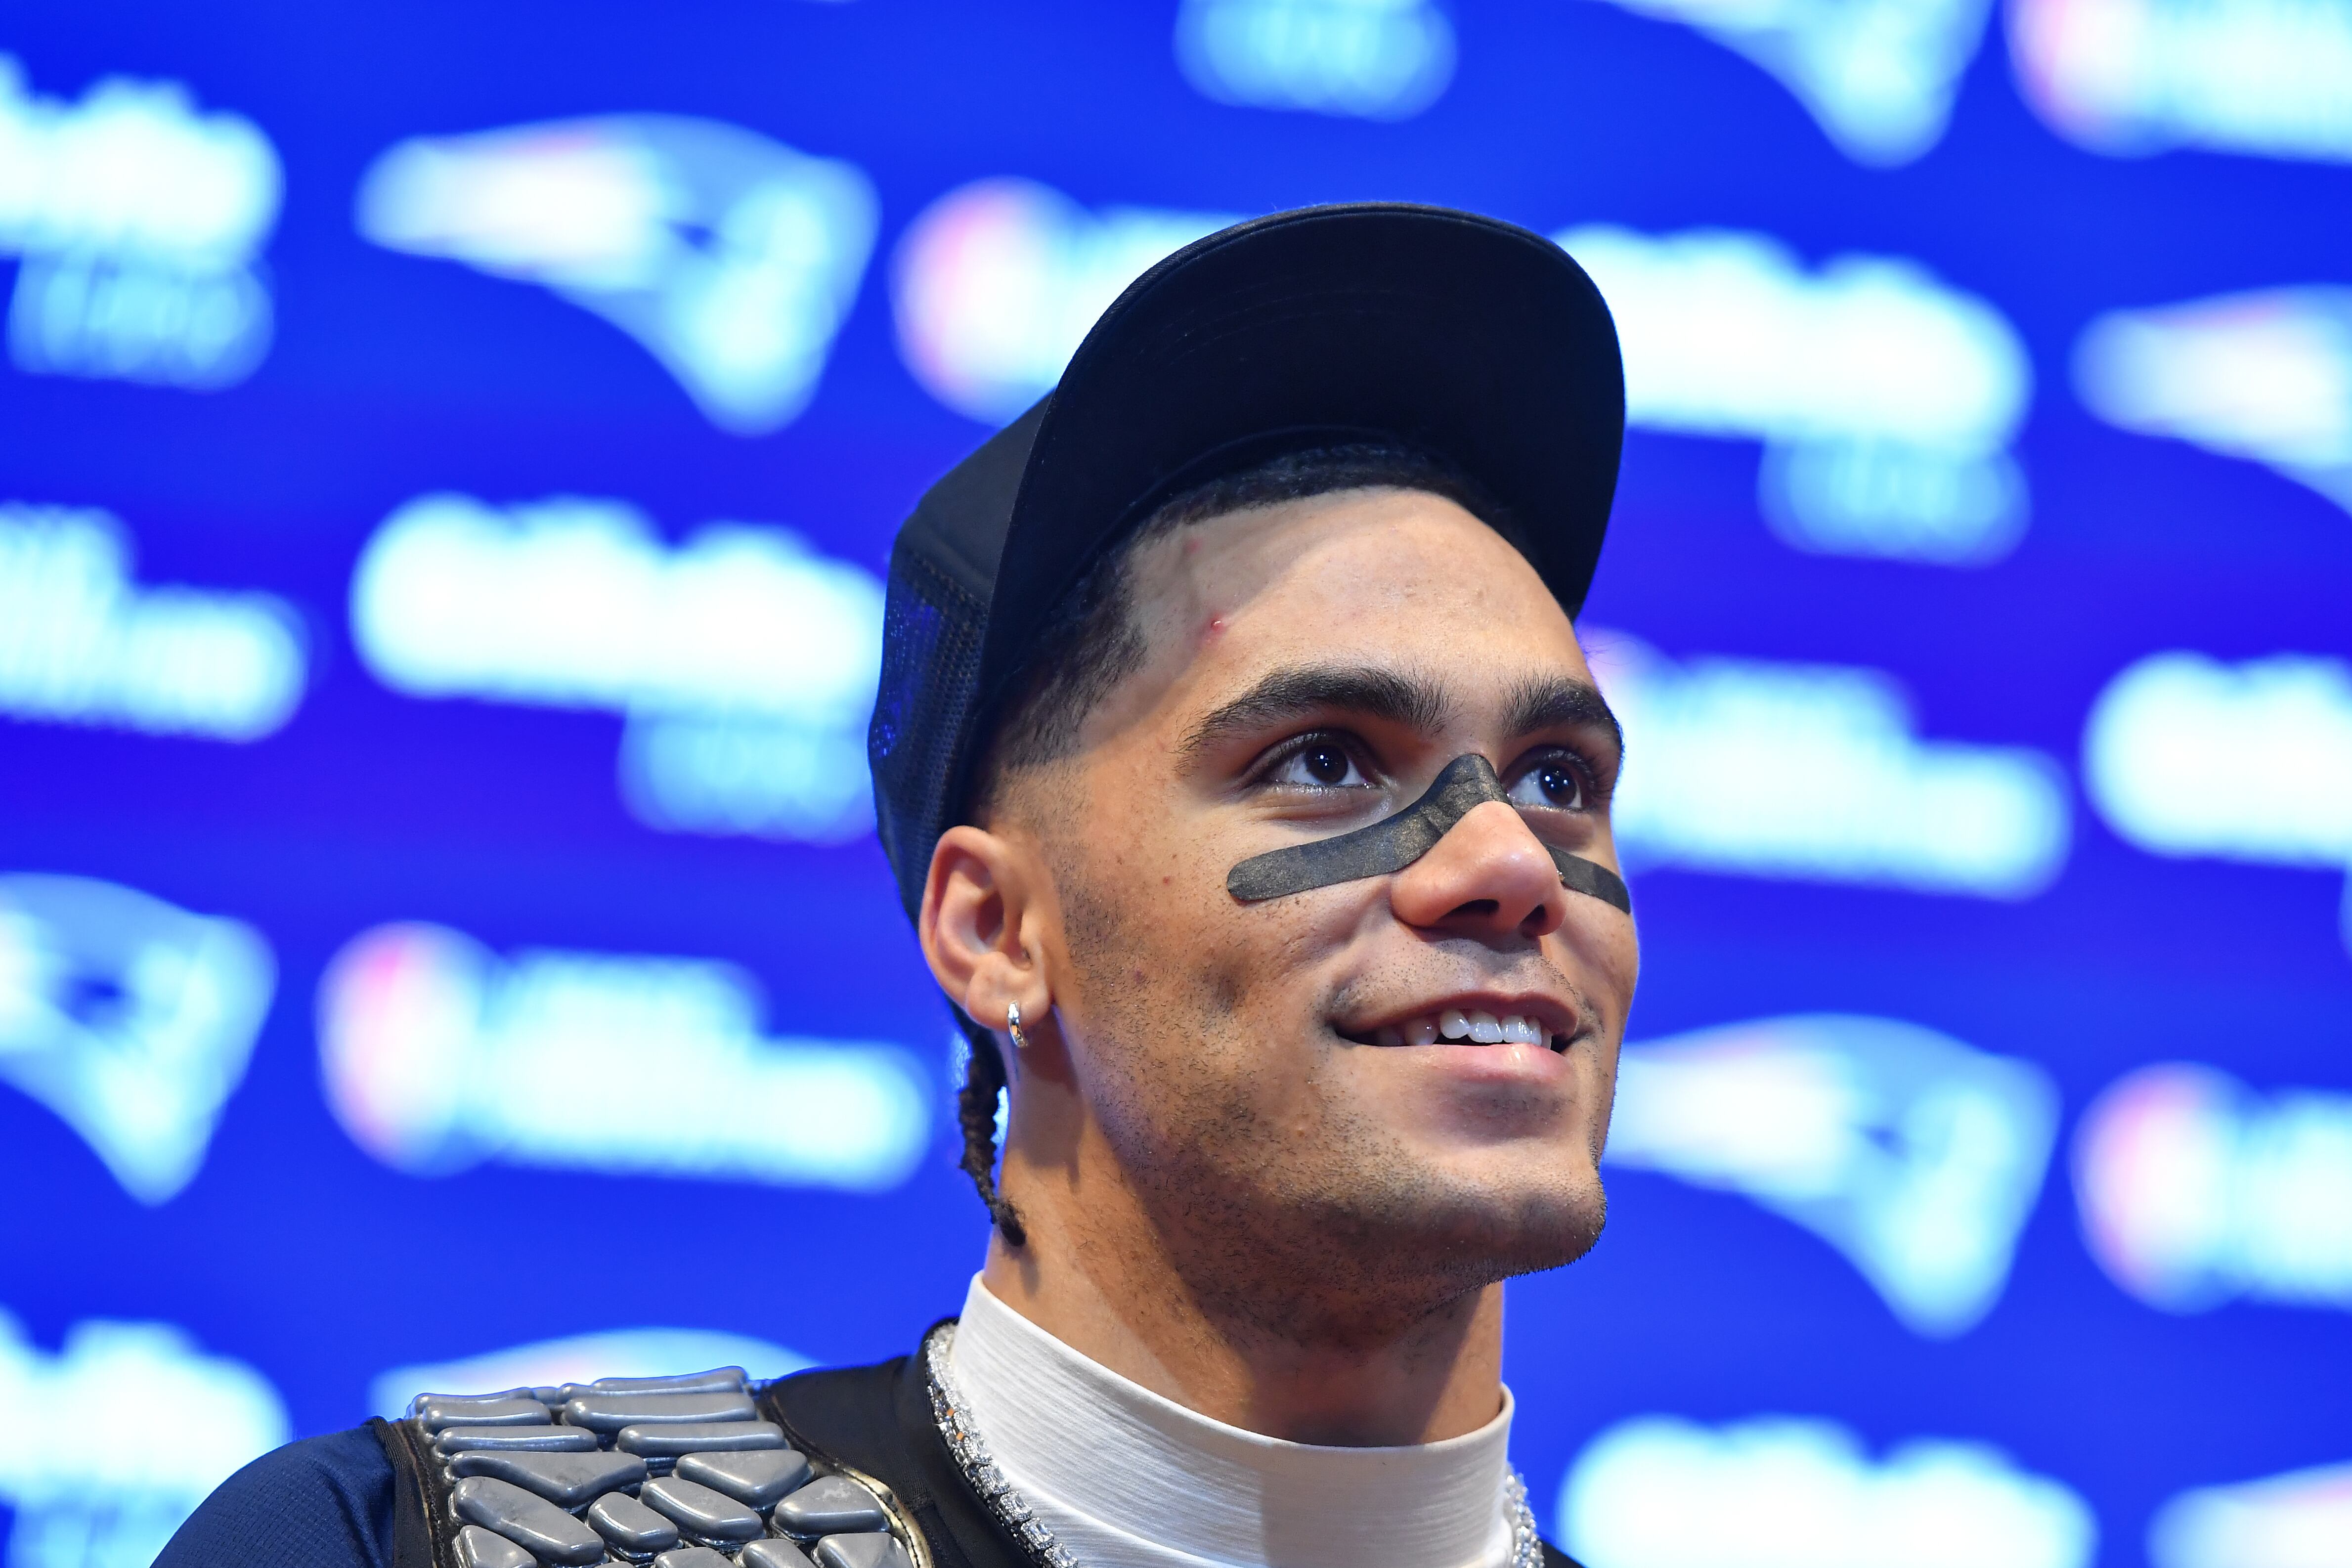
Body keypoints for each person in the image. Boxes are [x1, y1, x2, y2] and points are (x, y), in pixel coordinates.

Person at [155, 202, 1636, 1568]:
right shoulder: (401, 1547)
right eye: (1324, 760)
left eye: (1559, 778)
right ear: (996, 932)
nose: (1511, 862)